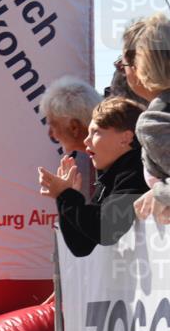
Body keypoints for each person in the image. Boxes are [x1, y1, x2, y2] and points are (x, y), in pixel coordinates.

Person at [39, 97, 149, 256]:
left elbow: (105, 230)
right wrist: (64, 196)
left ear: (125, 138)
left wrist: (65, 194)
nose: (86, 140)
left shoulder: (138, 170)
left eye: (95, 132)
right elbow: (81, 246)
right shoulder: (110, 177)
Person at [120, 13, 170, 224]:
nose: (123, 74)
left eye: (121, 65)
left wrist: (160, 193)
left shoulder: (155, 122)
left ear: (140, 66)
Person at [41, 76, 102, 199]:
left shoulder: (119, 162)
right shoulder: (108, 155)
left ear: (74, 127)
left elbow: (111, 217)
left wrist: (65, 196)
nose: (50, 134)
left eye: (53, 125)